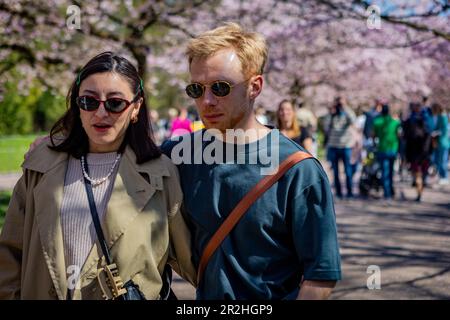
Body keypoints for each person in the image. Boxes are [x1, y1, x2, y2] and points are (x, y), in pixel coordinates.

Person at [162, 23, 341, 300]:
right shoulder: (176, 156)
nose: (207, 100)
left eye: (220, 87)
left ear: (255, 86)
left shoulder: (298, 169)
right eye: (196, 89)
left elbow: (320, 275)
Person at [0, 52, 196, 299]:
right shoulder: (40, 166)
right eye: (89, 102)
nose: (100, 113)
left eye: (115, 103)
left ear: (136, 107)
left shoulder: (161, 173)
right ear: (77, 105)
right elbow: (8, 255)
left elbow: (194, 262)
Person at [324, 97, 356, 199]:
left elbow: (353, 120)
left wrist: (345, 108)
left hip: (346, 146)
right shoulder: (331, 115)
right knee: (335, 171)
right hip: (333, 146)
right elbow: (326, 127)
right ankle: (338, 193)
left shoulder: (347, 113)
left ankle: (350, 192)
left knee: (348, 170)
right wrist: (331, 112)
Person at [402, 102, 433, 202]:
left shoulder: (410, 122)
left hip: (415, 153)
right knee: (421, 174)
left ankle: (419, 191)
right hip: (424, 153)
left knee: (417, 173)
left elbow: (405, 138)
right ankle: (420, 190)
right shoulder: (427, 122)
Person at [373, 104, 401, 200]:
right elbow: (399, 135)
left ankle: (387, 193)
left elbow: (373, 135)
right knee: (390, 172)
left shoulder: (377, 122)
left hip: (382, 149)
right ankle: (390, 192)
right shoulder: (395, 122)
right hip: (393, 149)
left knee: (384, 172)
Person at [431, 103, 449, 185]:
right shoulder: (438, 117)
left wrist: (436, 133)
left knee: (443, 160)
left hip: (443, 142)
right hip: (438, 142)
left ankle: (444, 176)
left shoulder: (443, 117)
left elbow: (444, 130)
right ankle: (440, 175)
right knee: (438, 160)